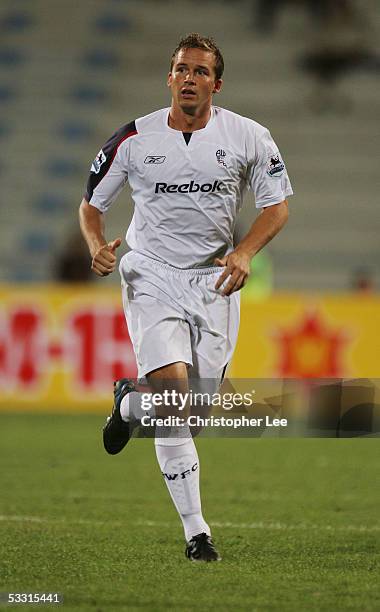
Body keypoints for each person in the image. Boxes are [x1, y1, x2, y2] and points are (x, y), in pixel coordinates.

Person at [79, 33, 292, 562]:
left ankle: (130, 405)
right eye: (181, 69)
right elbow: (91, 205)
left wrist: (244, 253)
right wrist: (95, 247)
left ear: (216, 84)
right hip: (151, 274)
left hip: (213, 279)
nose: (189, 78)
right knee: (176, 410)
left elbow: (277, 206)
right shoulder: (133, 138)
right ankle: (197, 532)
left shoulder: (249, 136)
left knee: (195, 411)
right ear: (168, 78)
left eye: (200, 71)